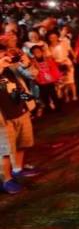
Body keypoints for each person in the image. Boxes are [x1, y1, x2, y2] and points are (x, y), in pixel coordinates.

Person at [0, 47, 38, 194]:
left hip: (21, 111)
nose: (6, 57)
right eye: (3, 55)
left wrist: (25, 62)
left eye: (5, 54)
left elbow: (33, 75)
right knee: (5, 150)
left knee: (23, 143)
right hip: (4, 118)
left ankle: (18, 170)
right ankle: (6, 180)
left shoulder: (13, 68)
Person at [31, 45, 62, 113]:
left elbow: (54, 68)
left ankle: (58, 108)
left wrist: (57, 78)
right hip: (41, 82)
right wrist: (36, 79)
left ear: (41, 52)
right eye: (35, 52)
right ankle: (48, 109)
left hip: (50, 81)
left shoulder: (47, 59)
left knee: (54, 94)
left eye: (38, 51)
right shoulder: (33, 62)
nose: (37, 53)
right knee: (45, 96)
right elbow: (33, 72)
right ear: (33, 54)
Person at [48, 30, 77, 102]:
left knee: (71, 80)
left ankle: (74, 95)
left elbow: (70, 49)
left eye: (55, 37)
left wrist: (74, 57)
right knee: (63, 82)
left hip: (66, 62)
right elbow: (50, 58)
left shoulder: (63, 43)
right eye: (51, 37)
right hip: (57, 65)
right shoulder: (49, 47)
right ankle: (66, 96)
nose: (53, 38)